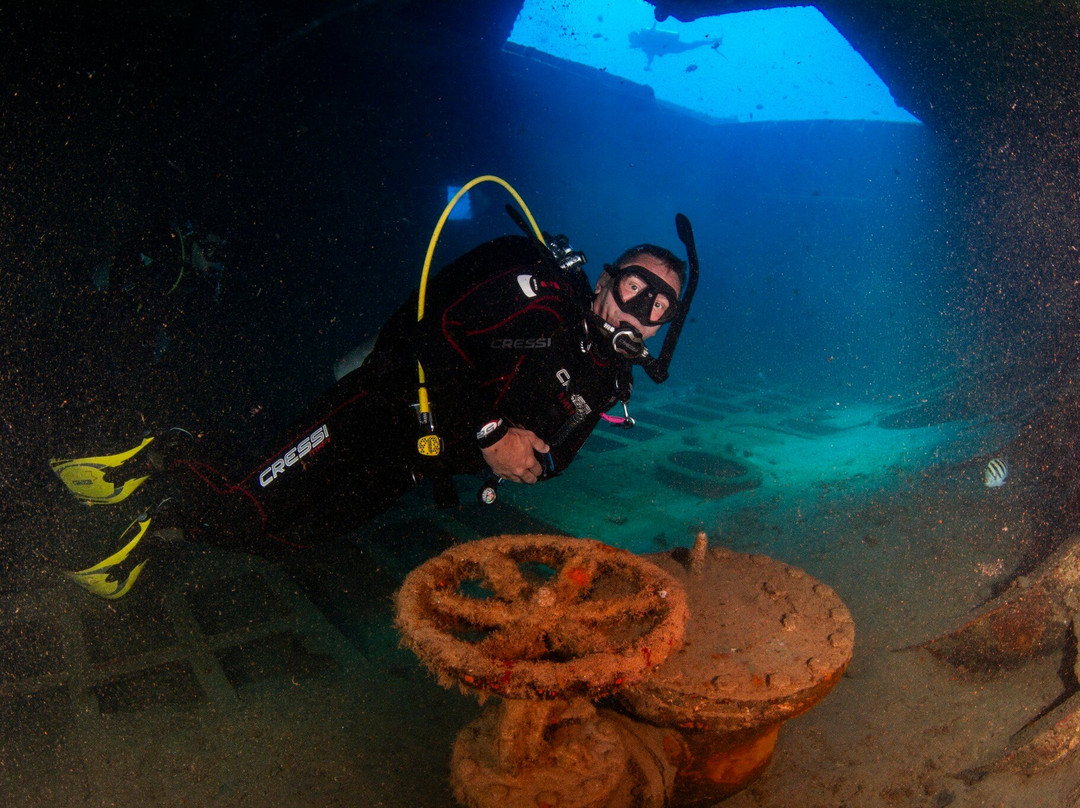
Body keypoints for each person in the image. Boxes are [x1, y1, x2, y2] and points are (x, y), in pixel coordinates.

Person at [49, 215, 697, 599]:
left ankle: (169, 518)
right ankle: (173, 452)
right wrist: (494, 432)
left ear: (667, 326)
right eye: (635, 288)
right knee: (246, 507)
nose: (639, 312)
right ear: (607, 279)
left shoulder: (608, 379)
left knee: (291, 536)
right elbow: (433, 331)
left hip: (411, 465)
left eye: (658, 307)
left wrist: (529, 463)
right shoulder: (541, 297)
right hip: (376, 407)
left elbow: (557, 453)